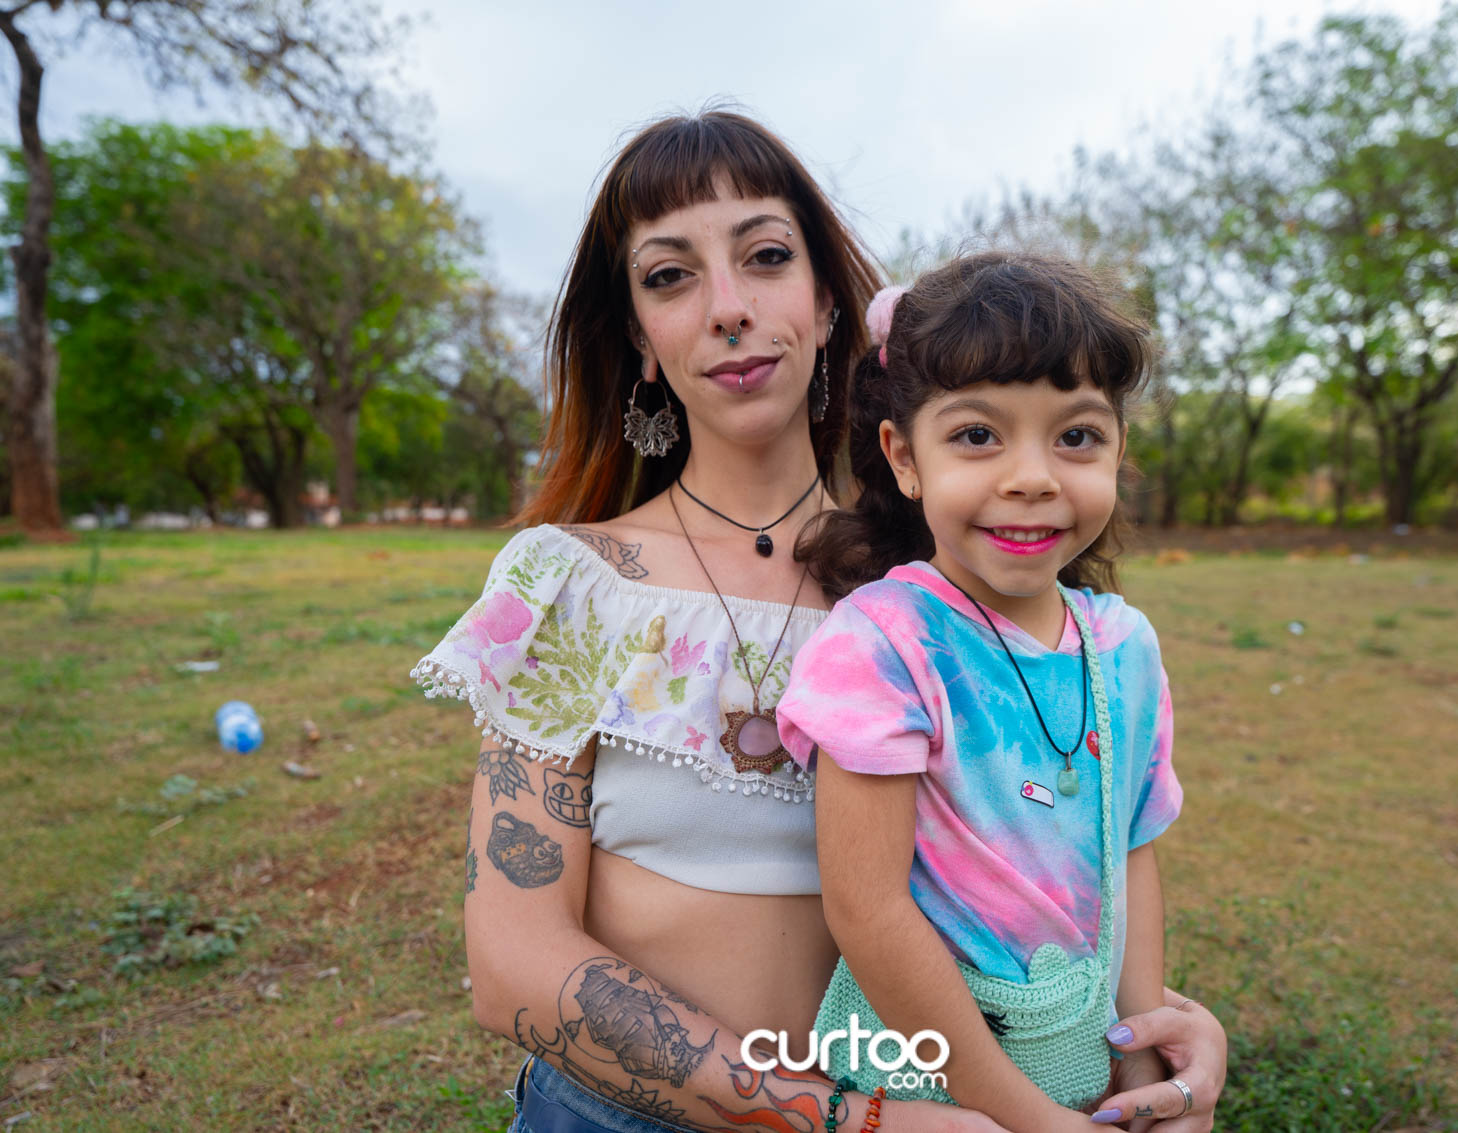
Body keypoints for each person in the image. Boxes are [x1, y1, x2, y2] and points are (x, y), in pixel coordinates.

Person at [411, 111, 1225, 1133]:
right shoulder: (573, 588)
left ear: (828, 300)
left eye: (765, 257)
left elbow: (1059, 859)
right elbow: (513, 964)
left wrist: (1161, 1036)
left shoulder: (948, 587)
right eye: (670, 276)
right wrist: (841, 1119)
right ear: (640, 339)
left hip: (946, 1101)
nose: (728, 308)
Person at [775, 254, 1183, 1132]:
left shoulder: (1125, 647)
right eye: (976, 435)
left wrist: (1143, 1052)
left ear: (1119, 449)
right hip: (931, 1094)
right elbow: (867, 909)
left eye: (1077, 436)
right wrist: (1024, 1116)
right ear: (905, 458)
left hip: (1086, 1067)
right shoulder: (882, 644)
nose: (1033, 476)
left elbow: (1132, 848)